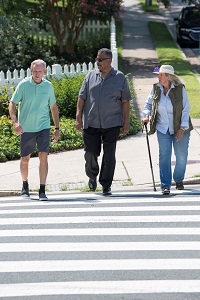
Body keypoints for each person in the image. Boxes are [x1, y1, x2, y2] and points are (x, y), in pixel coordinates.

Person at [76, 48, 131, 195]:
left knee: (109, 155)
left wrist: (126, 122)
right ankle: (92, 176)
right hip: (91, 122)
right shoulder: (90, 77)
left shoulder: (119, 78)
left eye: (100, 59)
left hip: (112, 122)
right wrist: (78, 117)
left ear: (109, 60)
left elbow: (125, 101)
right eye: (97, 59)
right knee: (90, 153)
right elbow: (82, 97)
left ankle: (106, 184)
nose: (97, 62)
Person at [9, 59, 59, 200]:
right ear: (31, 71)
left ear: (44, 72)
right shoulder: (24, 85)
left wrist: (57, 128)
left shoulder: (48, 86)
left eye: (40, 71)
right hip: (26, 128)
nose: (37, 74)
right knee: (25, 159)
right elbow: (12, 104)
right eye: (35, 71)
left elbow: (53, 107)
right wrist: (15, 122)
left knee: (43, 156)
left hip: (43, 127)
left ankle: (42, 190)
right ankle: (25, 185)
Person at [141, 65, 193, 195]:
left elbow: (186, 109)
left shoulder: (180, 89)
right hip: (162, 128)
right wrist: (146, 114)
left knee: (181, 156)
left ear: (168, 77)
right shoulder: (156, 89)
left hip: (180, 127)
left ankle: (179, 179)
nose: (158, 77)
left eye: (161, 75)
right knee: (164, 156)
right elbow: (148, 104)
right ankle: (165, 185)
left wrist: (182, 128)